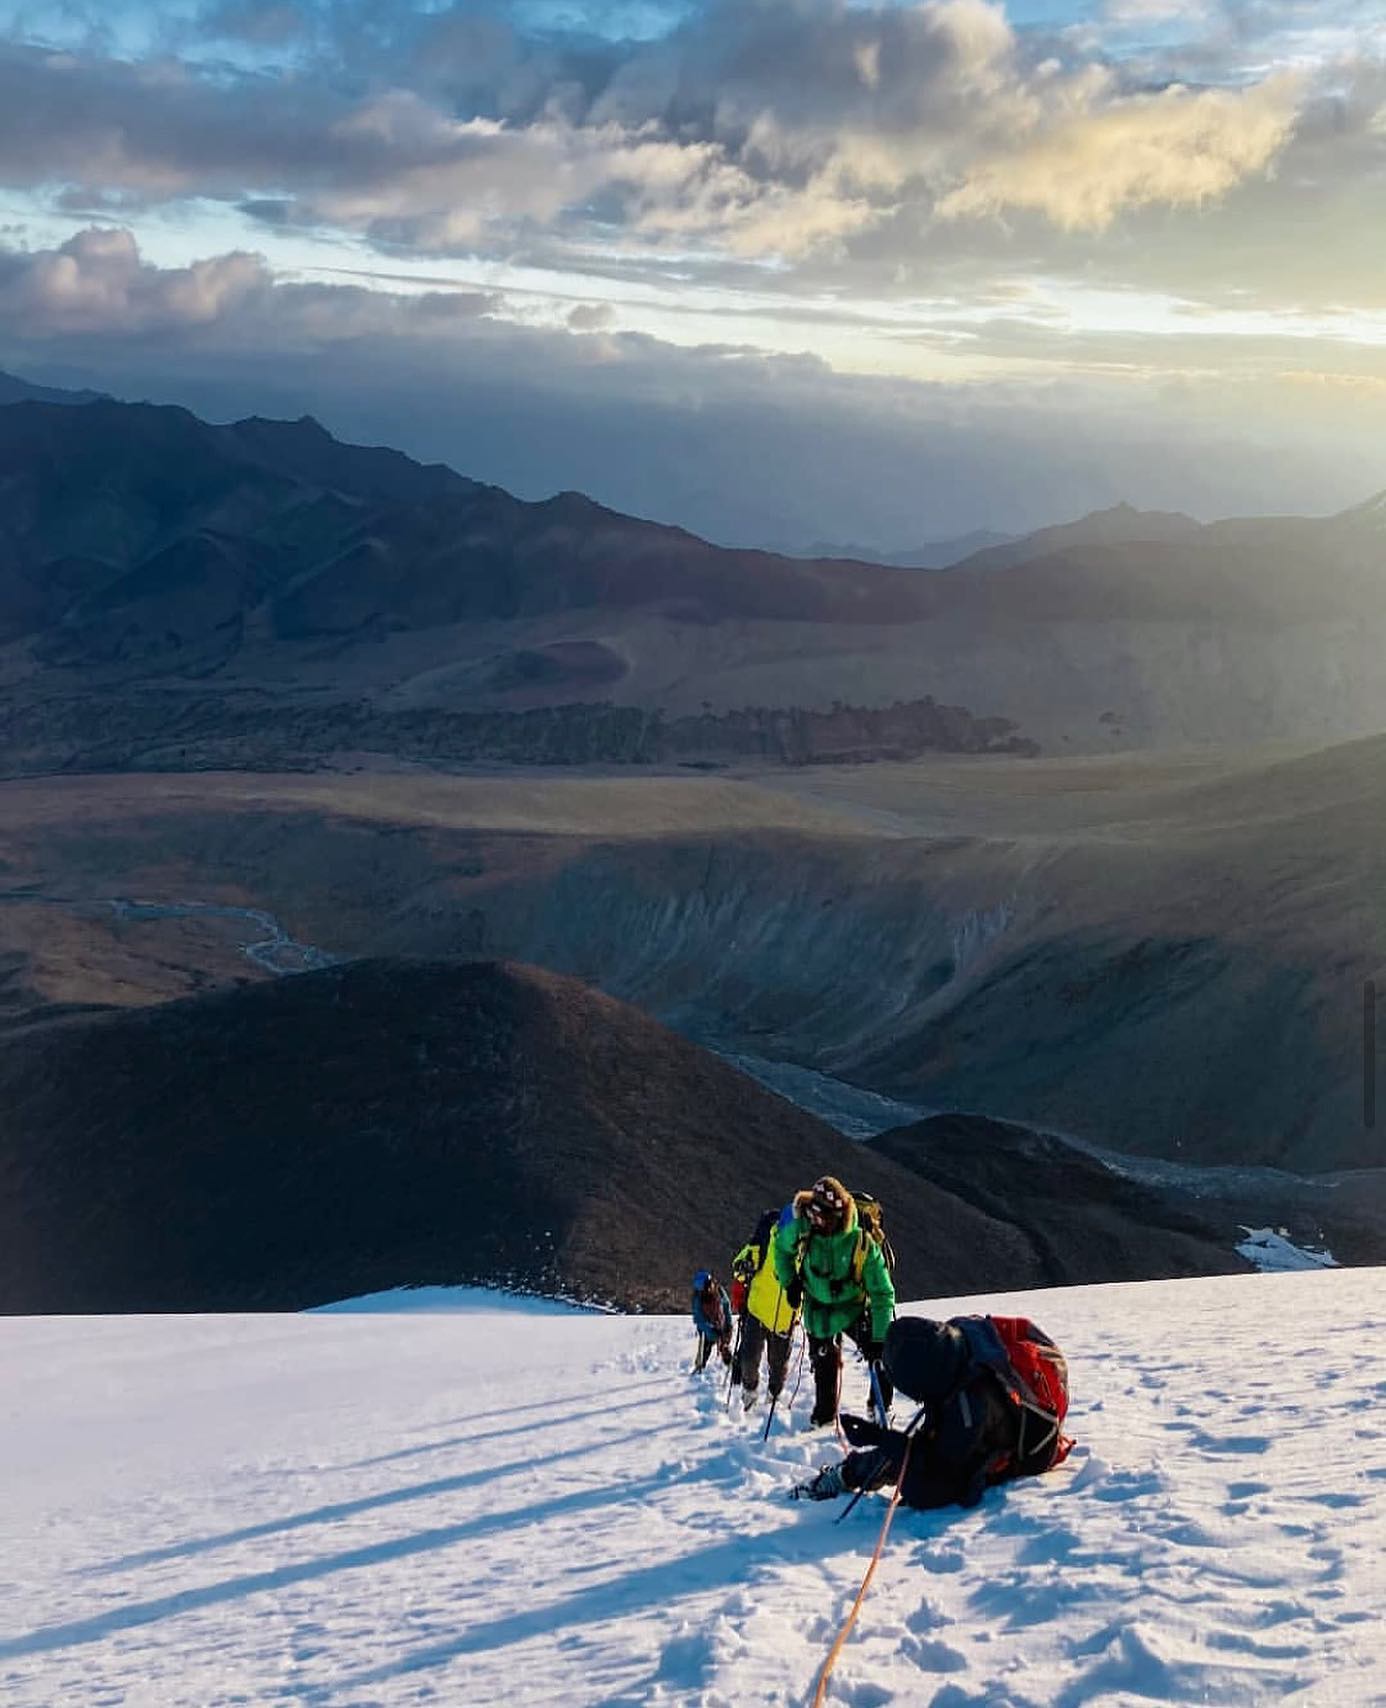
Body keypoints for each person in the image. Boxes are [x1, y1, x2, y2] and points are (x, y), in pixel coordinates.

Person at [790, 1313, 1073, 1510]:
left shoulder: (968, 1411)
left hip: (996, 1438)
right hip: (1003, 1406)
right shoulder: (959, 1342)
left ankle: (841, 1477)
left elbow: (929, 1488)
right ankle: (845, 1475)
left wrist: (883, 1439)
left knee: (906, 1457)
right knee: (909, 1451)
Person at [773, 1175, 894, 1428]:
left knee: (882, 1356)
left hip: (854, 1307)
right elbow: (782, 1250)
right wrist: (790, 1283)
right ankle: (825, 1417)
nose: (817, 1221)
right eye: (814, 1214)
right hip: (818, 1310)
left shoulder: (861, 1242)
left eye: (823, 1216)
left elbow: (882, 1292)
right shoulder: (802, 1226)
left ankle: (880, 1408)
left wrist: (880, 1338)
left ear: (838, 1214)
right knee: (824, 1364)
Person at [731, 1209, 798, 1411]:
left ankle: (773, 1394)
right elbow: (739, 1265)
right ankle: (750, 1392)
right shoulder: (765, 1241)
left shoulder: (806, 1249)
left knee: (778, 1365)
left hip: (785, 1317)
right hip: (758, 1310)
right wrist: (743, 1267)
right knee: (750, 1359)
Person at [690, 1269, 734, 1373]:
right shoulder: (698, 1299)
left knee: (725, 1346)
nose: (710, 1287)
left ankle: (730, 1365)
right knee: (705, 1349)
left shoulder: (719, 1291)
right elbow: (699, 1319)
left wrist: (728, 1324)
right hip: (707, 1329)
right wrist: (710, 1330)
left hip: (721, 1323)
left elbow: (726, 1307)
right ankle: (699, 1367)